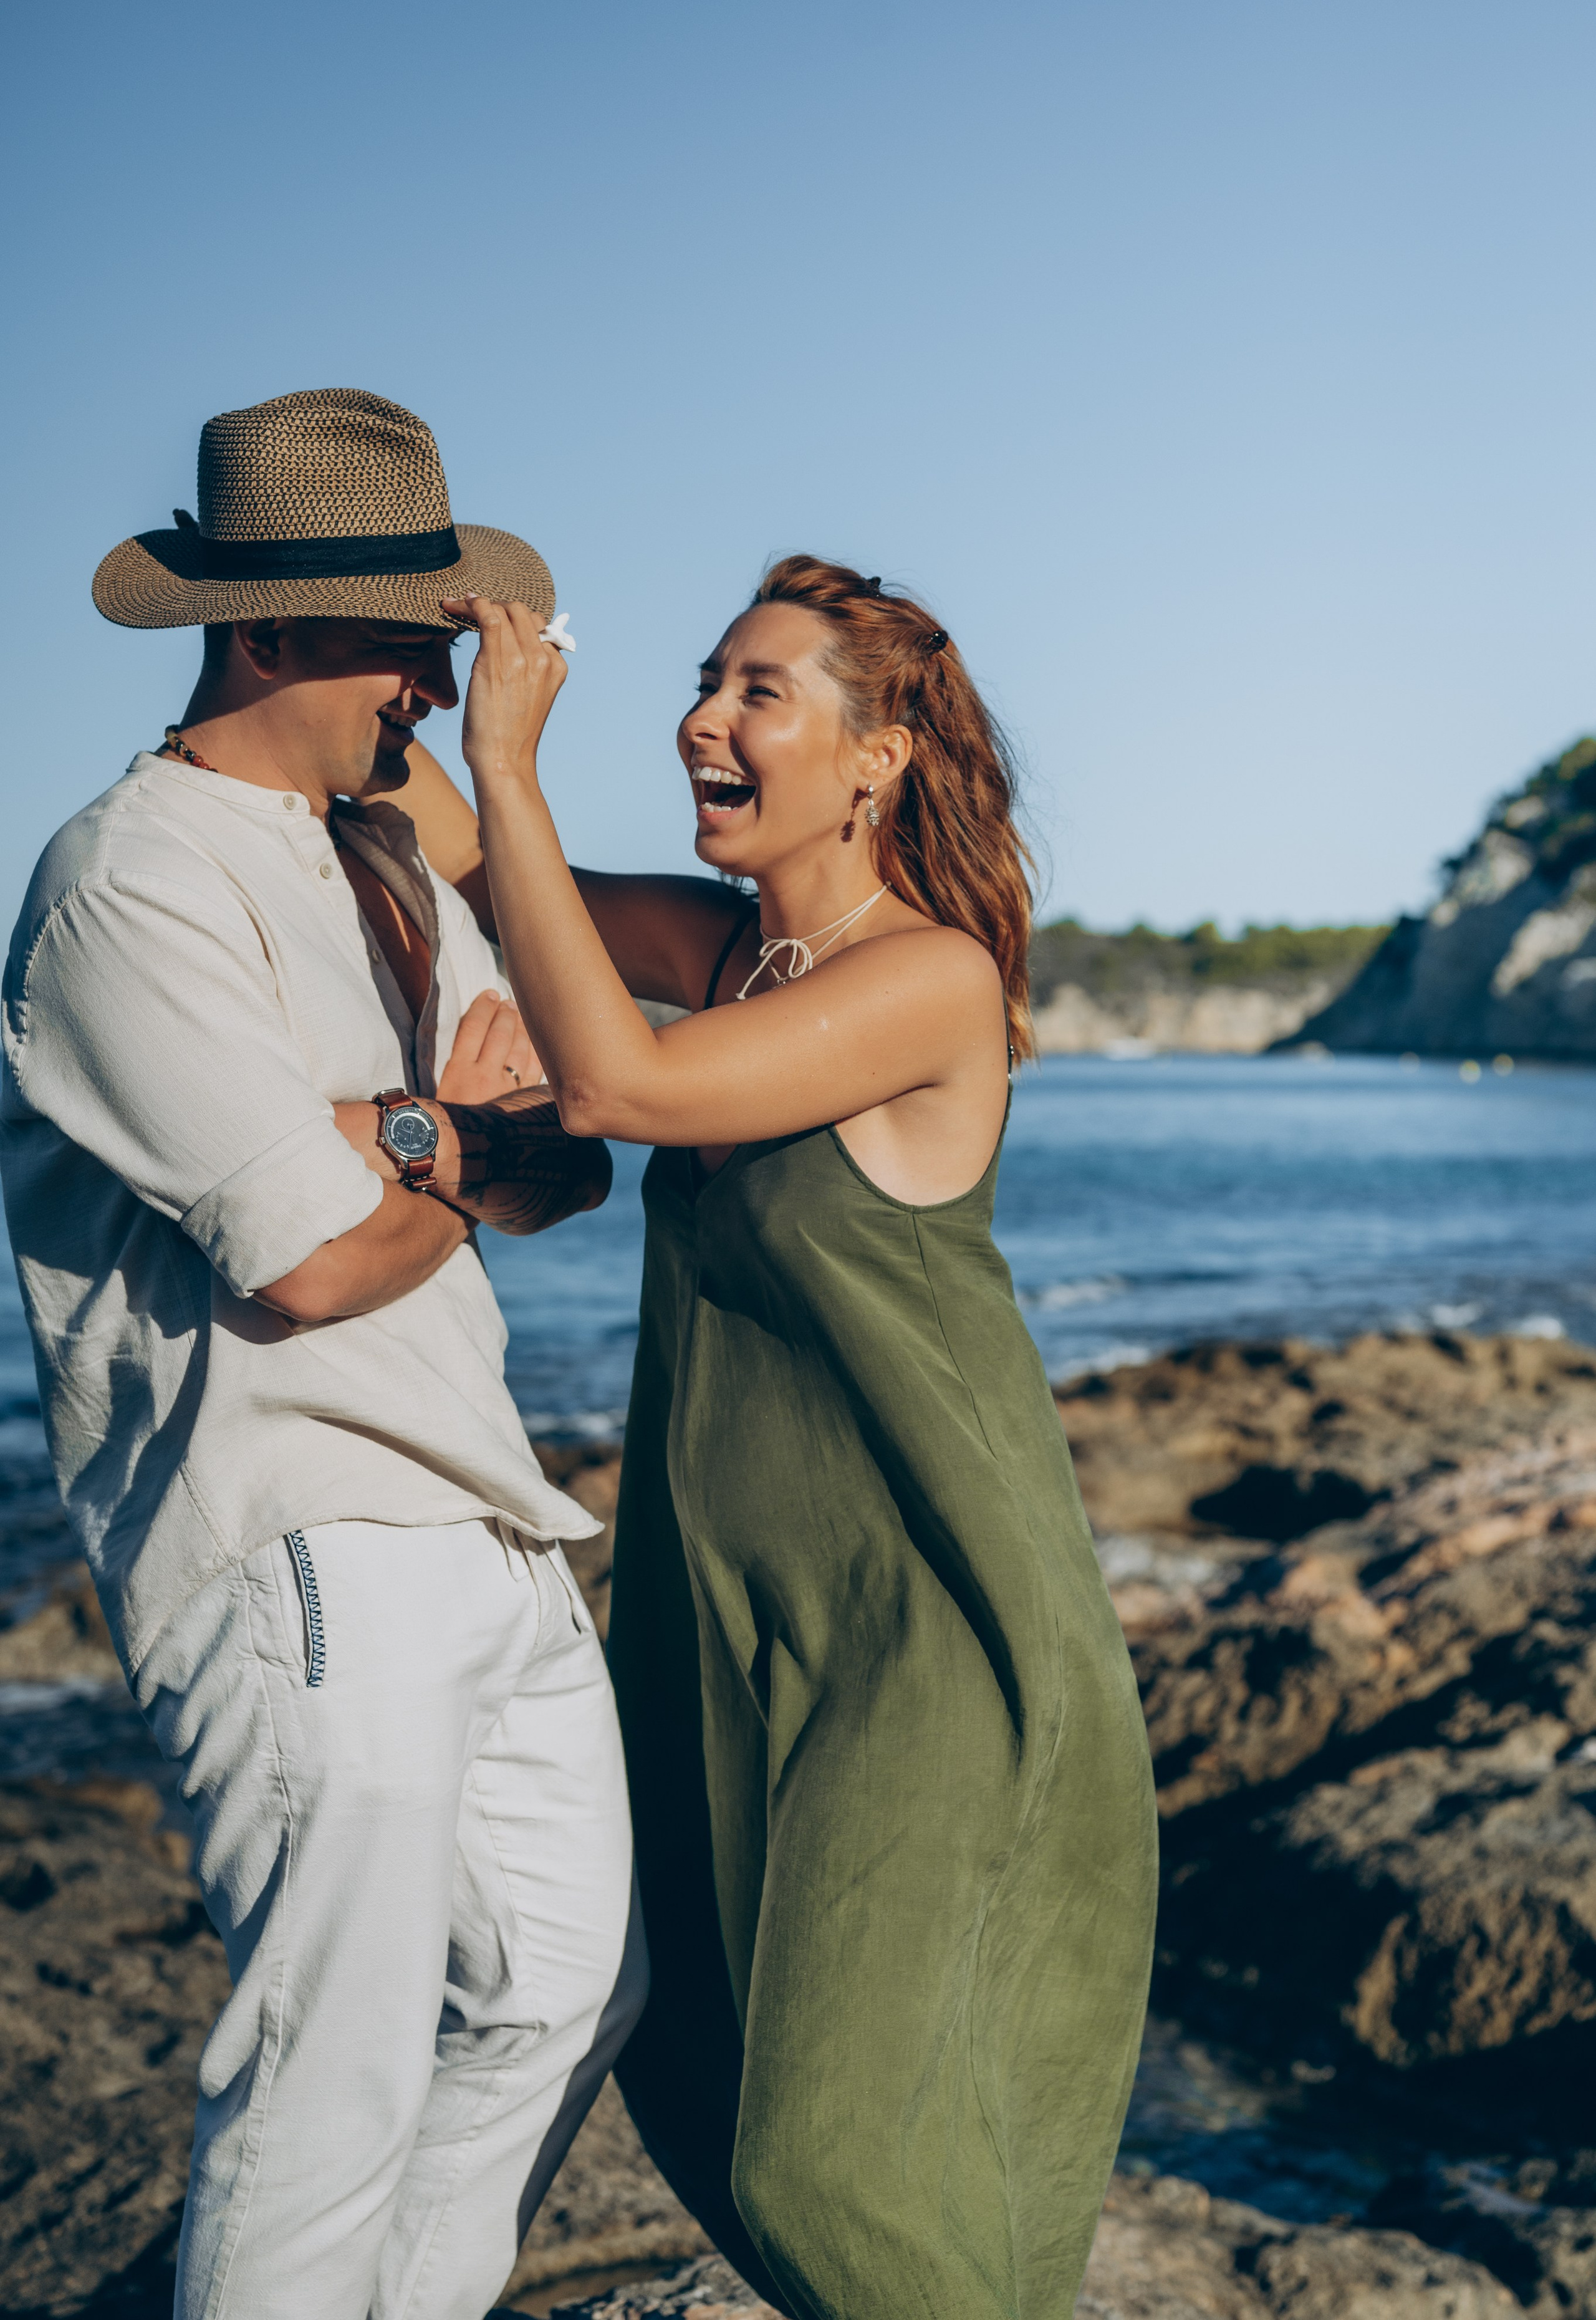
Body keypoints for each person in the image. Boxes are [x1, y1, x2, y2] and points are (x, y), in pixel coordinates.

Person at [399, 557, 1159, 2319]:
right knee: (702, 2066)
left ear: (879, 755)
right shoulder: (737, 949)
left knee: (819, 2156)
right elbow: (490, 888)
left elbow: (619, 1092)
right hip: (733, 1622)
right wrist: (410, 670)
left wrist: (514, 768)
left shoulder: (931, 983)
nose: (701, 718)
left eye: (761, 692)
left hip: (931, 1636)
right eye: (705, 679)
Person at [0, 390, 643, 2320]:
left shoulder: (377, 859)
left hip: (486, 1525)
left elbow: (568, 1156)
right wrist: (443, 1142)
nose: (440, 691)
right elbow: (308, 1270)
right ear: (262, 633)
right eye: (409, 642)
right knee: (327, 2080)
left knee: (563, 1994)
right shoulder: (132, 881)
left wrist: (422, 1140)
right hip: (299, 1542)